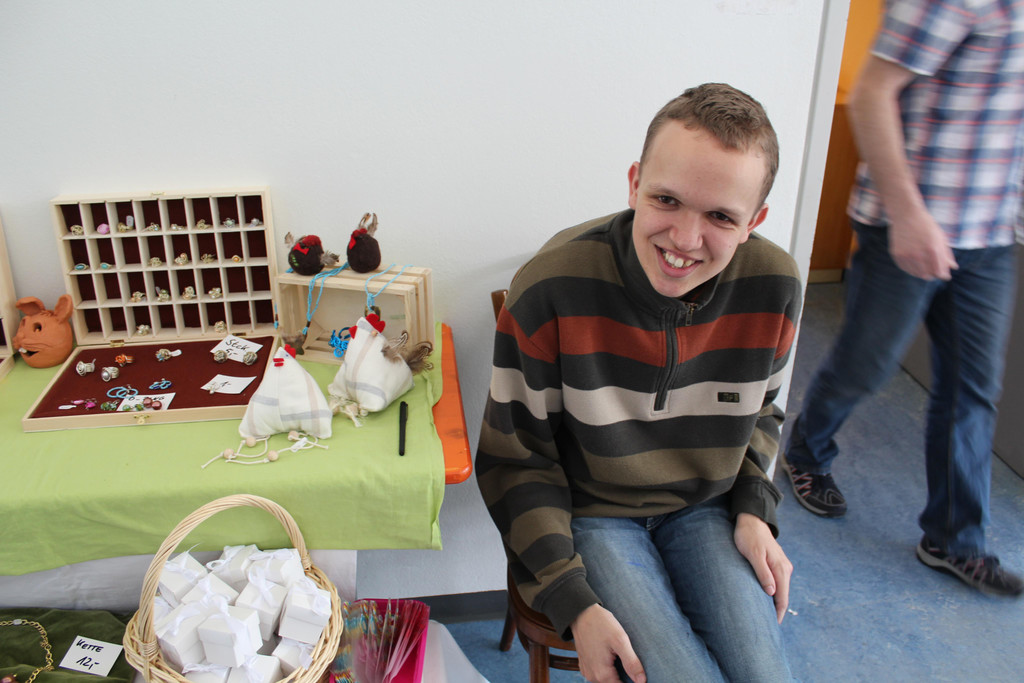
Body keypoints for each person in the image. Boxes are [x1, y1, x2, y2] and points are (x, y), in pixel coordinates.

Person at [476, 83, 800, 683]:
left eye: (721, 216)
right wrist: (573, 600)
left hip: (705, 508)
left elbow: (762, 412)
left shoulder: (774, 286)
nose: (685, 239)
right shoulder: (551, 287)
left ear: (754, 221)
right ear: (634, 184)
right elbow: (515, 463)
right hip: (590, 516)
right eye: (667, 200)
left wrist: (755, 510)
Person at [783, 0, 1023, 597]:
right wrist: (910, 216)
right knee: (867, 365)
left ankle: (954, 539)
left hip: (990, 231)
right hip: (907, 224)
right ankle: (807, 452)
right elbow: (872, 94)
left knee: (973, 388)